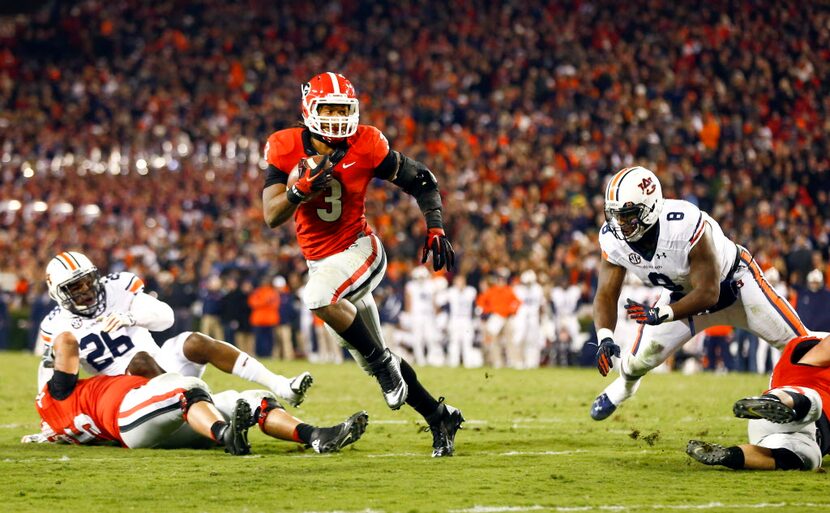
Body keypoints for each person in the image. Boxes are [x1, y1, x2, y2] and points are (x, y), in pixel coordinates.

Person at [260, 72, 463, 457]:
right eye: (329, 109)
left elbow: (422, 180)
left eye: (343, 109)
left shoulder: (367, 142)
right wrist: (296, 191)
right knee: (374, 356)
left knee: (318, 299)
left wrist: (435, 227)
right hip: (321, 262)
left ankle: (386, 367)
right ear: (308, 110)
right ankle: (439, 416)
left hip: (359, 249)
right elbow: (272, 215)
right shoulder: (284, 146)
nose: (337, 117)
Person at [591, 167, 808, 420]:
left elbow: (709, 292)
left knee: (800, 345)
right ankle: (623, 388)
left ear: (649, 209)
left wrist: (661, 312)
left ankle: (816, 403)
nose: (621, 224)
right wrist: (605, 337)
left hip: (735, 285)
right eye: (615, 215)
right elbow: (605, 293)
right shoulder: (612, 239)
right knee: (638, 360)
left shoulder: (683, 223)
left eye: (628, 215)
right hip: (682, 297)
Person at [36, 252, 312, 408]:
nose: (85, 290)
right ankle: (213, 407)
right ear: (58, 293)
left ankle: (280, 386)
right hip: (126, 396)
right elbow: (49, 375)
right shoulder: (55, 325)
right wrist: (49, 424)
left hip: (163, 369)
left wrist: (131, 316)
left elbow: (165, 318)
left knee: (195, 341)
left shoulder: (118, 287)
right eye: (75, 287)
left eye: (87, 281)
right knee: (139, 361)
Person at [29, 331, 368, 454]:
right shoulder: (57, 394)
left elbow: (55, 428)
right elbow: (66, 341)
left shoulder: (57, 418)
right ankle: (226, 435)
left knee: (247, 400)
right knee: (185, 388)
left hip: (149, 422)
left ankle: (317, 436)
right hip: (128, 416)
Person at [687, 332, 830, 470]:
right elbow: (824, 348)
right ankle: (774, 401)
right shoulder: (811, 358)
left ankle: (728, 455)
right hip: (792, 410)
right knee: (812, 402)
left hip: (780, 433)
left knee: (808, 459)